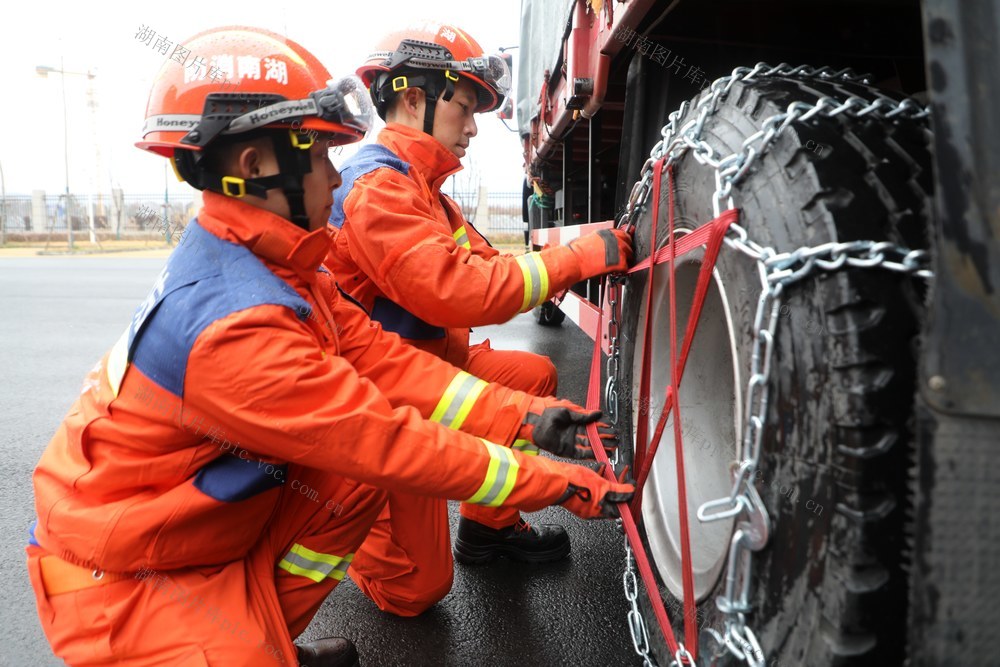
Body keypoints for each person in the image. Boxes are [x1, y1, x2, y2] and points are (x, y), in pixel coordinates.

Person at [25, 26, 633, 666]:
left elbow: (387, 363)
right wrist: (551, 483)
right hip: (115, 582)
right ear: (255, 168)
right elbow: (385, 439)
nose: (336, 176)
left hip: (174, 529)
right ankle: (248, 644)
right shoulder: (237, 325)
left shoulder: (277, 269)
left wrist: (528, 420)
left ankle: (264, 629)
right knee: (362, 476)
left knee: (348, 477)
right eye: (318, 154)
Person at [325, 22, 634, 585]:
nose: (472, 127)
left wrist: (568, 267)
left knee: (533, 375)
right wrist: (583, 256)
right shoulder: (376, 190)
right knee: (418, 587)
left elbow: (488, 266)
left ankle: (489, 529)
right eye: (464, 108)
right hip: (383, 396)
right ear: (413, 99)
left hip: (429, 367)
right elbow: (458, 290)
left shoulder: (425, 193)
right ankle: (352, 502)